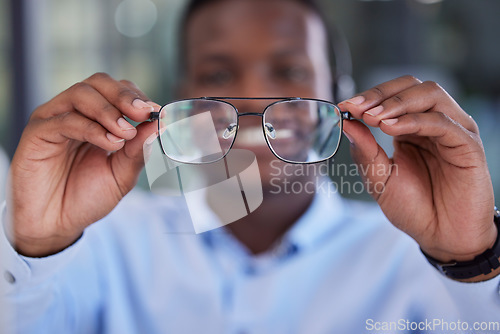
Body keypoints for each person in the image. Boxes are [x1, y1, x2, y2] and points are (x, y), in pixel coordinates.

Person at [1, 0, 499, 333]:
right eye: (218, 73)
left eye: (290, 71)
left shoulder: (416, 260)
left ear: (341, 98)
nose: (254, 104)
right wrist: (38, 246)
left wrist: (473, 263)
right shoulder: (99, 244)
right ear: (179, 102)